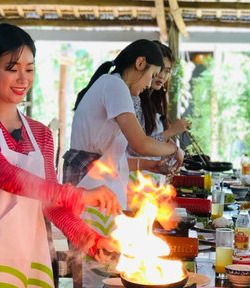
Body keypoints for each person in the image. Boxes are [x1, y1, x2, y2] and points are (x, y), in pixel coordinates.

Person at [0, 23, 121, 288]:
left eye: (29, 69)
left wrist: (89, 238)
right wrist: (78, 195)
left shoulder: (40, 134)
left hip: (21, 257)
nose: (23, 79)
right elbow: (3, 174)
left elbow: (48, 200)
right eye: (12, 68)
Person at [63, 39, 184, 287]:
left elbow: (117, 156)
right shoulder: (114, 85)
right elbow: (140, 143)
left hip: (100, 186)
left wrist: (152, 166)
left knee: (105, 269)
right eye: (151, 75)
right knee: (95, 271)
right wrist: (175, 148)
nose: (151, 83)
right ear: (140, 63)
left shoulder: (117, 88)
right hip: (90, 186)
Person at [127, 41, 190, 185]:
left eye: (167, 71)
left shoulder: (153, 100)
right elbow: (135, 148)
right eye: (160, 69)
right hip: (132, 180)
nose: (162, 75)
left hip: (147, 180)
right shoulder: (133, 98)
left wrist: (172, 145)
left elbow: (148, 140)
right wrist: (171, 133)